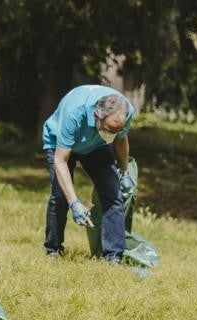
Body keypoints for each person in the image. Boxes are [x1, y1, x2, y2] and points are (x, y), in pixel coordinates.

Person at [41, 84, 136, 263]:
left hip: (96, 145)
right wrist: (74, 202)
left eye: (116, 131)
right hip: (59, 144)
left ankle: (113, 257)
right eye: (109, 130)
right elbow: (60, 161)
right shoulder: (75, 113)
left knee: (113, 194)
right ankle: (53, 250)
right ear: (96, 116)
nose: (112, 135)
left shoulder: (126, 111)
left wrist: (125, 171)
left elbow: (121, 140)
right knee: (60, 197)